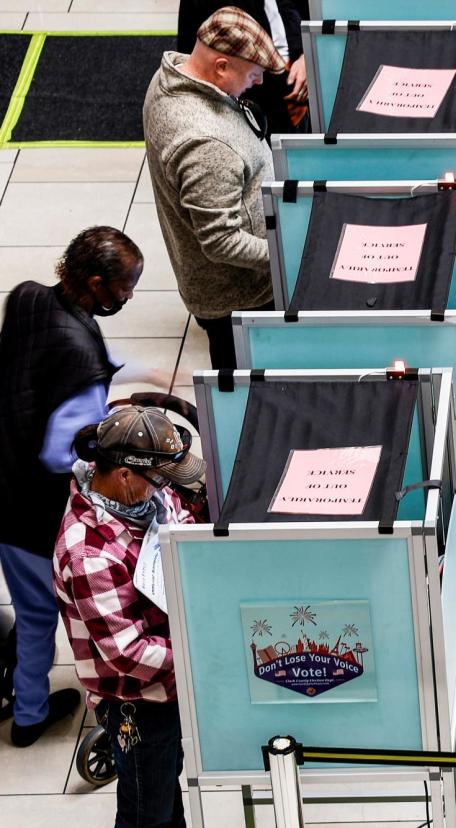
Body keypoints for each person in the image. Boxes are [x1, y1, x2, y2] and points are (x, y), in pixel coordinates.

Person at [0, 227, 146, 746]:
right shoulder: (82, 361)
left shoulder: (28, 297)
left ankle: (17, 690)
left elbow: (44, 362)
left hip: (2, 477)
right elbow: (61, 454)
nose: (129, 296)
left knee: (27, 603)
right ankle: (32, 716)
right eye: (125, 287)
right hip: (35, 511)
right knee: (54, 612)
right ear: (94, 281)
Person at [53, 406, 203, 827]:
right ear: (123, 475)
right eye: (158, 479)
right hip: (137, 702)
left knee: (164, 789)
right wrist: (202, 650)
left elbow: (176, 514)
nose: (165, 490)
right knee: (145, 813)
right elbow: (128, 652)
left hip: (168, 688)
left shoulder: (142, 496)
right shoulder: (89, 554)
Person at [144, 6, 282, 372]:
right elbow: (221, 240)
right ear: (221, 67)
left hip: (216, 286)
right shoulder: (206, 143)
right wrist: (288, 253)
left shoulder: (170, 75)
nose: (259, 82)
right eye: (253, 73)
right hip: (241, 297)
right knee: (251, 393)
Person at [176, 0, 309, 133]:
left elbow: (291, 8)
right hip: (243, 102)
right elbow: (193, 59)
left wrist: (306, 53)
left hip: (291, 83)